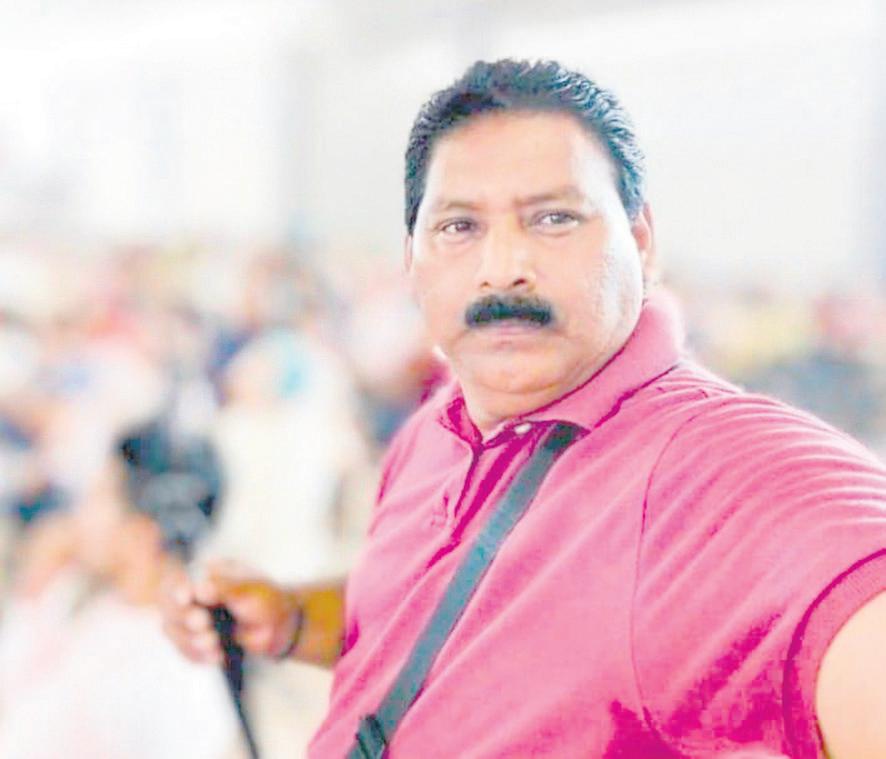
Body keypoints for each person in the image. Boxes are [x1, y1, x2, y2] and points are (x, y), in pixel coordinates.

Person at [160, 59, 886, 758]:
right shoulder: (438, 429)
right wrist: (293, 617)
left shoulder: (713, 471)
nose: (503, 267)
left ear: (640, 243)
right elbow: (446, 612)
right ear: (412, 259)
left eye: (554, 218)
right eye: (459, 227)